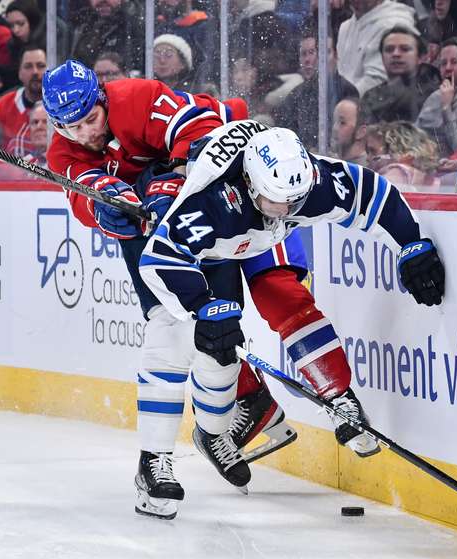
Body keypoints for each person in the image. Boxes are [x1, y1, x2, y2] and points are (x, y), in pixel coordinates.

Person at [42, 60, 299, 519]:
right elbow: (83, 193)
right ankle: (154, 463)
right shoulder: (64, 152)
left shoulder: (136, 98)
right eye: (72, 127)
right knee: (167, 331)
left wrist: (174, 179)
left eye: (90, 120)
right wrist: (106, 206)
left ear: (103, 99)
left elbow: (203, 128)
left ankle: (218, 424)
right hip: (156, 236)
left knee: (219, 330)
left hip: (215, 203)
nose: (85, 134)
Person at [135, 124, 444, 490]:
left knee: (288, 299)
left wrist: (411, 243)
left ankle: (339, 396)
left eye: (293, 203)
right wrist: (201, 307)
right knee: (211, 347)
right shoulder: (212, 203)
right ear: (250, 184)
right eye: (276, 201)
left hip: (261, 236)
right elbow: (159, 257)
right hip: (215, 248)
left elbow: (371, 194)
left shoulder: (309, 185)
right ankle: (210, 430)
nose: (284, 210)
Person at [273, 29, 358, 150]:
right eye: (303, 54)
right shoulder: (295, 95)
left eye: (312, 52)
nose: (308, 60)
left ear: (335, 55)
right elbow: (283, 136)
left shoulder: (346, 90)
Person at [360, 26, 441, 125]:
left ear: (420, 58)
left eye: (405, 49)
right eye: (389, 50)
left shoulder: (433, 93)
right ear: (382, 57)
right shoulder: (370, 96)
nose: (396, 54)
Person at [336, 0, 416, 96]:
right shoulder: (345, 27)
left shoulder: (393, 23)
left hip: (378, 107)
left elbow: (376, 84)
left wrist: (343, 103)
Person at [417, 37, 457, 157]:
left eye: (454, 62)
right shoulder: (434, 98)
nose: (448, 68)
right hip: (428, 164)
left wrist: (446, 108)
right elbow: (416, 135)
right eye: (443, 63)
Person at [0, 45, 46, 145]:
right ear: (19, 73)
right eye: (28, 66)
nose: (35, 72)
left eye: (41, 66)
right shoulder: (2, 107)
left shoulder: (64, 104)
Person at [331, 97, 367, 164]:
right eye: (334, 121)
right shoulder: (328, 163)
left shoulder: (368, 171)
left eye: (342, 123)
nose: (335, 128)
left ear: (360, 132)